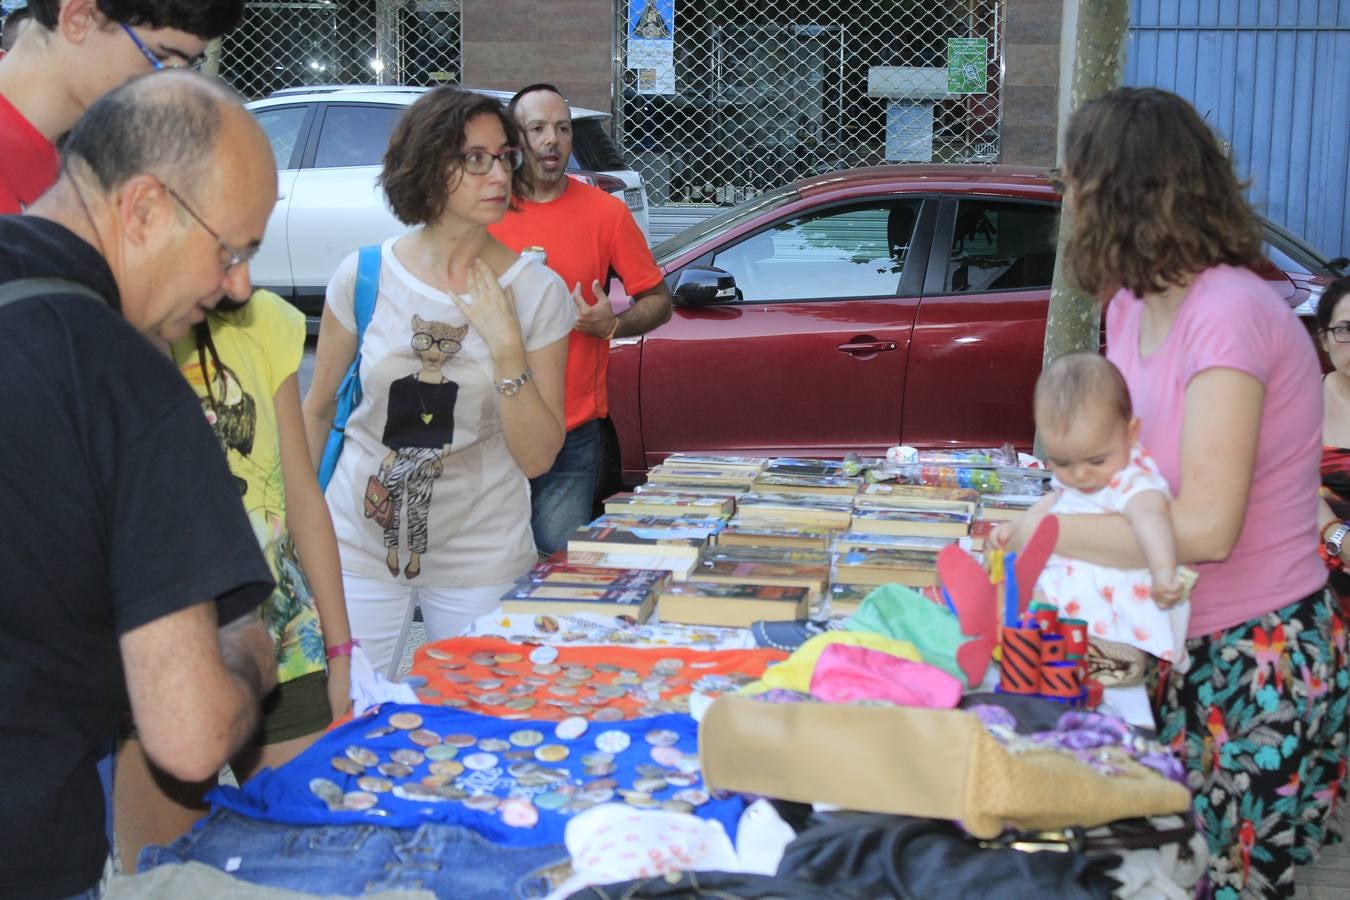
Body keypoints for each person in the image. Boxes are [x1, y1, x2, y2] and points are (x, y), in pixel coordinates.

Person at [1003, 87, 1344, 898]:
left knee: (1230, 883)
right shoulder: (1128, 305)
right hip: (1171, 636)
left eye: (1074, 182)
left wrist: (1040, 529)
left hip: (1253, 656)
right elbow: (1131, 473)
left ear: (1118, 191)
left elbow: (1207, 528)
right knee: (1163, 870)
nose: (1066, 200)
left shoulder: (1229, 312)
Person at [0, 71, 280, 899]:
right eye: (232, 251)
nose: (239, 288)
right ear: (146, 207)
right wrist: (247, 664)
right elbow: (191, 736)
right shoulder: (130, 382)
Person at [302, 87, 573, 678]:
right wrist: (294, 519)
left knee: (485, 719)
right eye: (474, 158)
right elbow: (318, 408)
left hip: (483, 555)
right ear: (427, 167)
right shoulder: (364, 276)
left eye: (504, 156)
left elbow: (538, 457)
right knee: (344, 720)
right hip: (355, 544)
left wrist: (506, 350)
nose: (497, 172)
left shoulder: (537, 294)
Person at [113, 287, 356, 872]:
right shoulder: (97, 333)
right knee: (163, 877)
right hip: (152, 655)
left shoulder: (263, 319)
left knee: (306, 869)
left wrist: (343, 650)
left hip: (282, 641)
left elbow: (301, 493)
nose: (242, 277)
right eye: (228, 248)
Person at [489, 83, 673, 554]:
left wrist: (609, 324)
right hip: (490, 424)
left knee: (557, 565)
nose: (553, 140)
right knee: (488, 567)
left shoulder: (605, 213)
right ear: (515, 138)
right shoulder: (485, 209)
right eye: (538, 128)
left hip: (572, 429)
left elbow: (658, 301)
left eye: (563, 128)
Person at [996, 353, 1189, 665]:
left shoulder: (1133, 480)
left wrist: (1163, 570)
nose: (1080, 475)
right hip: (1069, 593)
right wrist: (1016, 528)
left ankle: (1110, 654)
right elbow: (1052, 501)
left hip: (1113, 608)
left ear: (1130, 433)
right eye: (1062, 463)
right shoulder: (1080, 474)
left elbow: (1152, 519)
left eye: (1096, 461)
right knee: (1018, 606)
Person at [0, 0, 244, 213]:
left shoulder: (80, 165)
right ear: (80, 18)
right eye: (157, 57)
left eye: (185, 65)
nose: (169, 83)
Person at [1313, 275, 1350, 618]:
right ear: (1324, 339)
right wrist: (1337, 536)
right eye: (1345, 330)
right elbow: (1283, 484)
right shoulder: (1301, 403)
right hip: (1320, 587)